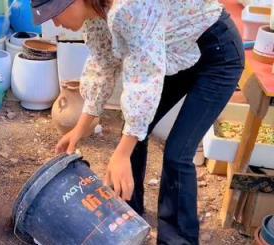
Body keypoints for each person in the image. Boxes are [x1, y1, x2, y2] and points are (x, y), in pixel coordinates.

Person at [31, 0, 245, 244]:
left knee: (177, 152)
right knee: (132, 132)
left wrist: (121, 154)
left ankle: (178, 240)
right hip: (175, 46)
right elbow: (103, 65)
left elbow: (143, 80)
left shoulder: (128, 7)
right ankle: (129, 215)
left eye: (55, 13)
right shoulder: (96, 13)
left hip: (217, 53)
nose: (55, 22)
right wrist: (79, 130)